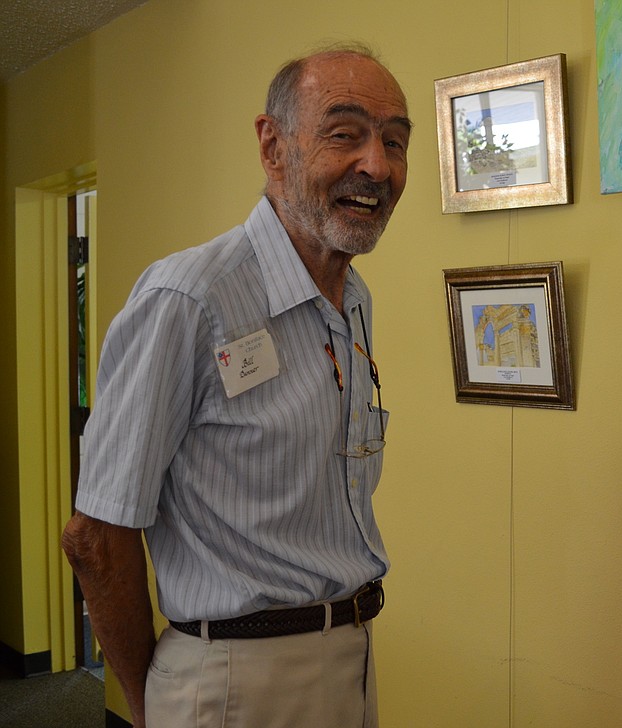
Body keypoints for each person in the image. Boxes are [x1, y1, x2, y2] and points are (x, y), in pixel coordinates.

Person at [61, 43, 411, 728]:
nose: (377, 165)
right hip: (233, 683)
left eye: (394, 142)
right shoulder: (189, 299)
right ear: (272, 145)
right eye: (346, 134)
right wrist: (151, 702)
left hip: (353, 657)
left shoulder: (353, 299)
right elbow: (95, 536)